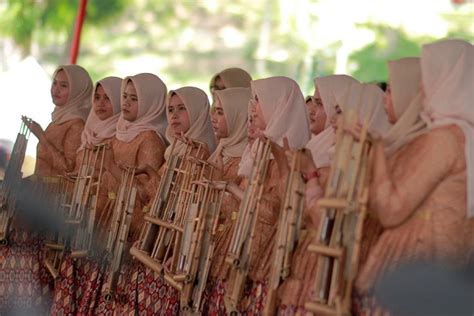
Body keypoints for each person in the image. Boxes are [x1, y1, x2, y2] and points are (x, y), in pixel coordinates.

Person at [355, 39, 474, 314]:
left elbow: (390, 209)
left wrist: (377, 153)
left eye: (427, 78)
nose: (421, 89)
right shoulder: (466, 135)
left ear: (446, 80)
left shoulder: (444, 138)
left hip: (415, 262)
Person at [0, 64, 92, 314]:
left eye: (64, 85)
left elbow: (68, 169)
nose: (56, 89)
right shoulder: (58, 119)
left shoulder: (76, 124)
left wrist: (41, 136)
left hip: (55, 204)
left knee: (32, 260)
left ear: (78, 92)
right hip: (39, 195)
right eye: (55, 83)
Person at [134, 86, 217, 315]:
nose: (174, 115)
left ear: (200, 112)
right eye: (170, 110)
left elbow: (186, 204)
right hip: (160, 240)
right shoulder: (175, 149)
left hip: (176, 245)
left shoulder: (201, 153)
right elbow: (159, 193)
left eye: (182, 109)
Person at [50, 76, 122, 315]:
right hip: (78, 219)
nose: (100, 104)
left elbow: (118, 185)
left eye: (108, 99)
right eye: (97, 98)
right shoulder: (89, 132)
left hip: (103, 227)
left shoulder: (118, 137)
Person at [202, 87, 250, 314]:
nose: (213, 117)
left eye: (220, 112)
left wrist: (221, 182)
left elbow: (243, 209)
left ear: (238, 115)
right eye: (214, 110)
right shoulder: (220, 151)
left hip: (231, 252)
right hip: (205, 248)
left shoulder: (248, 158)